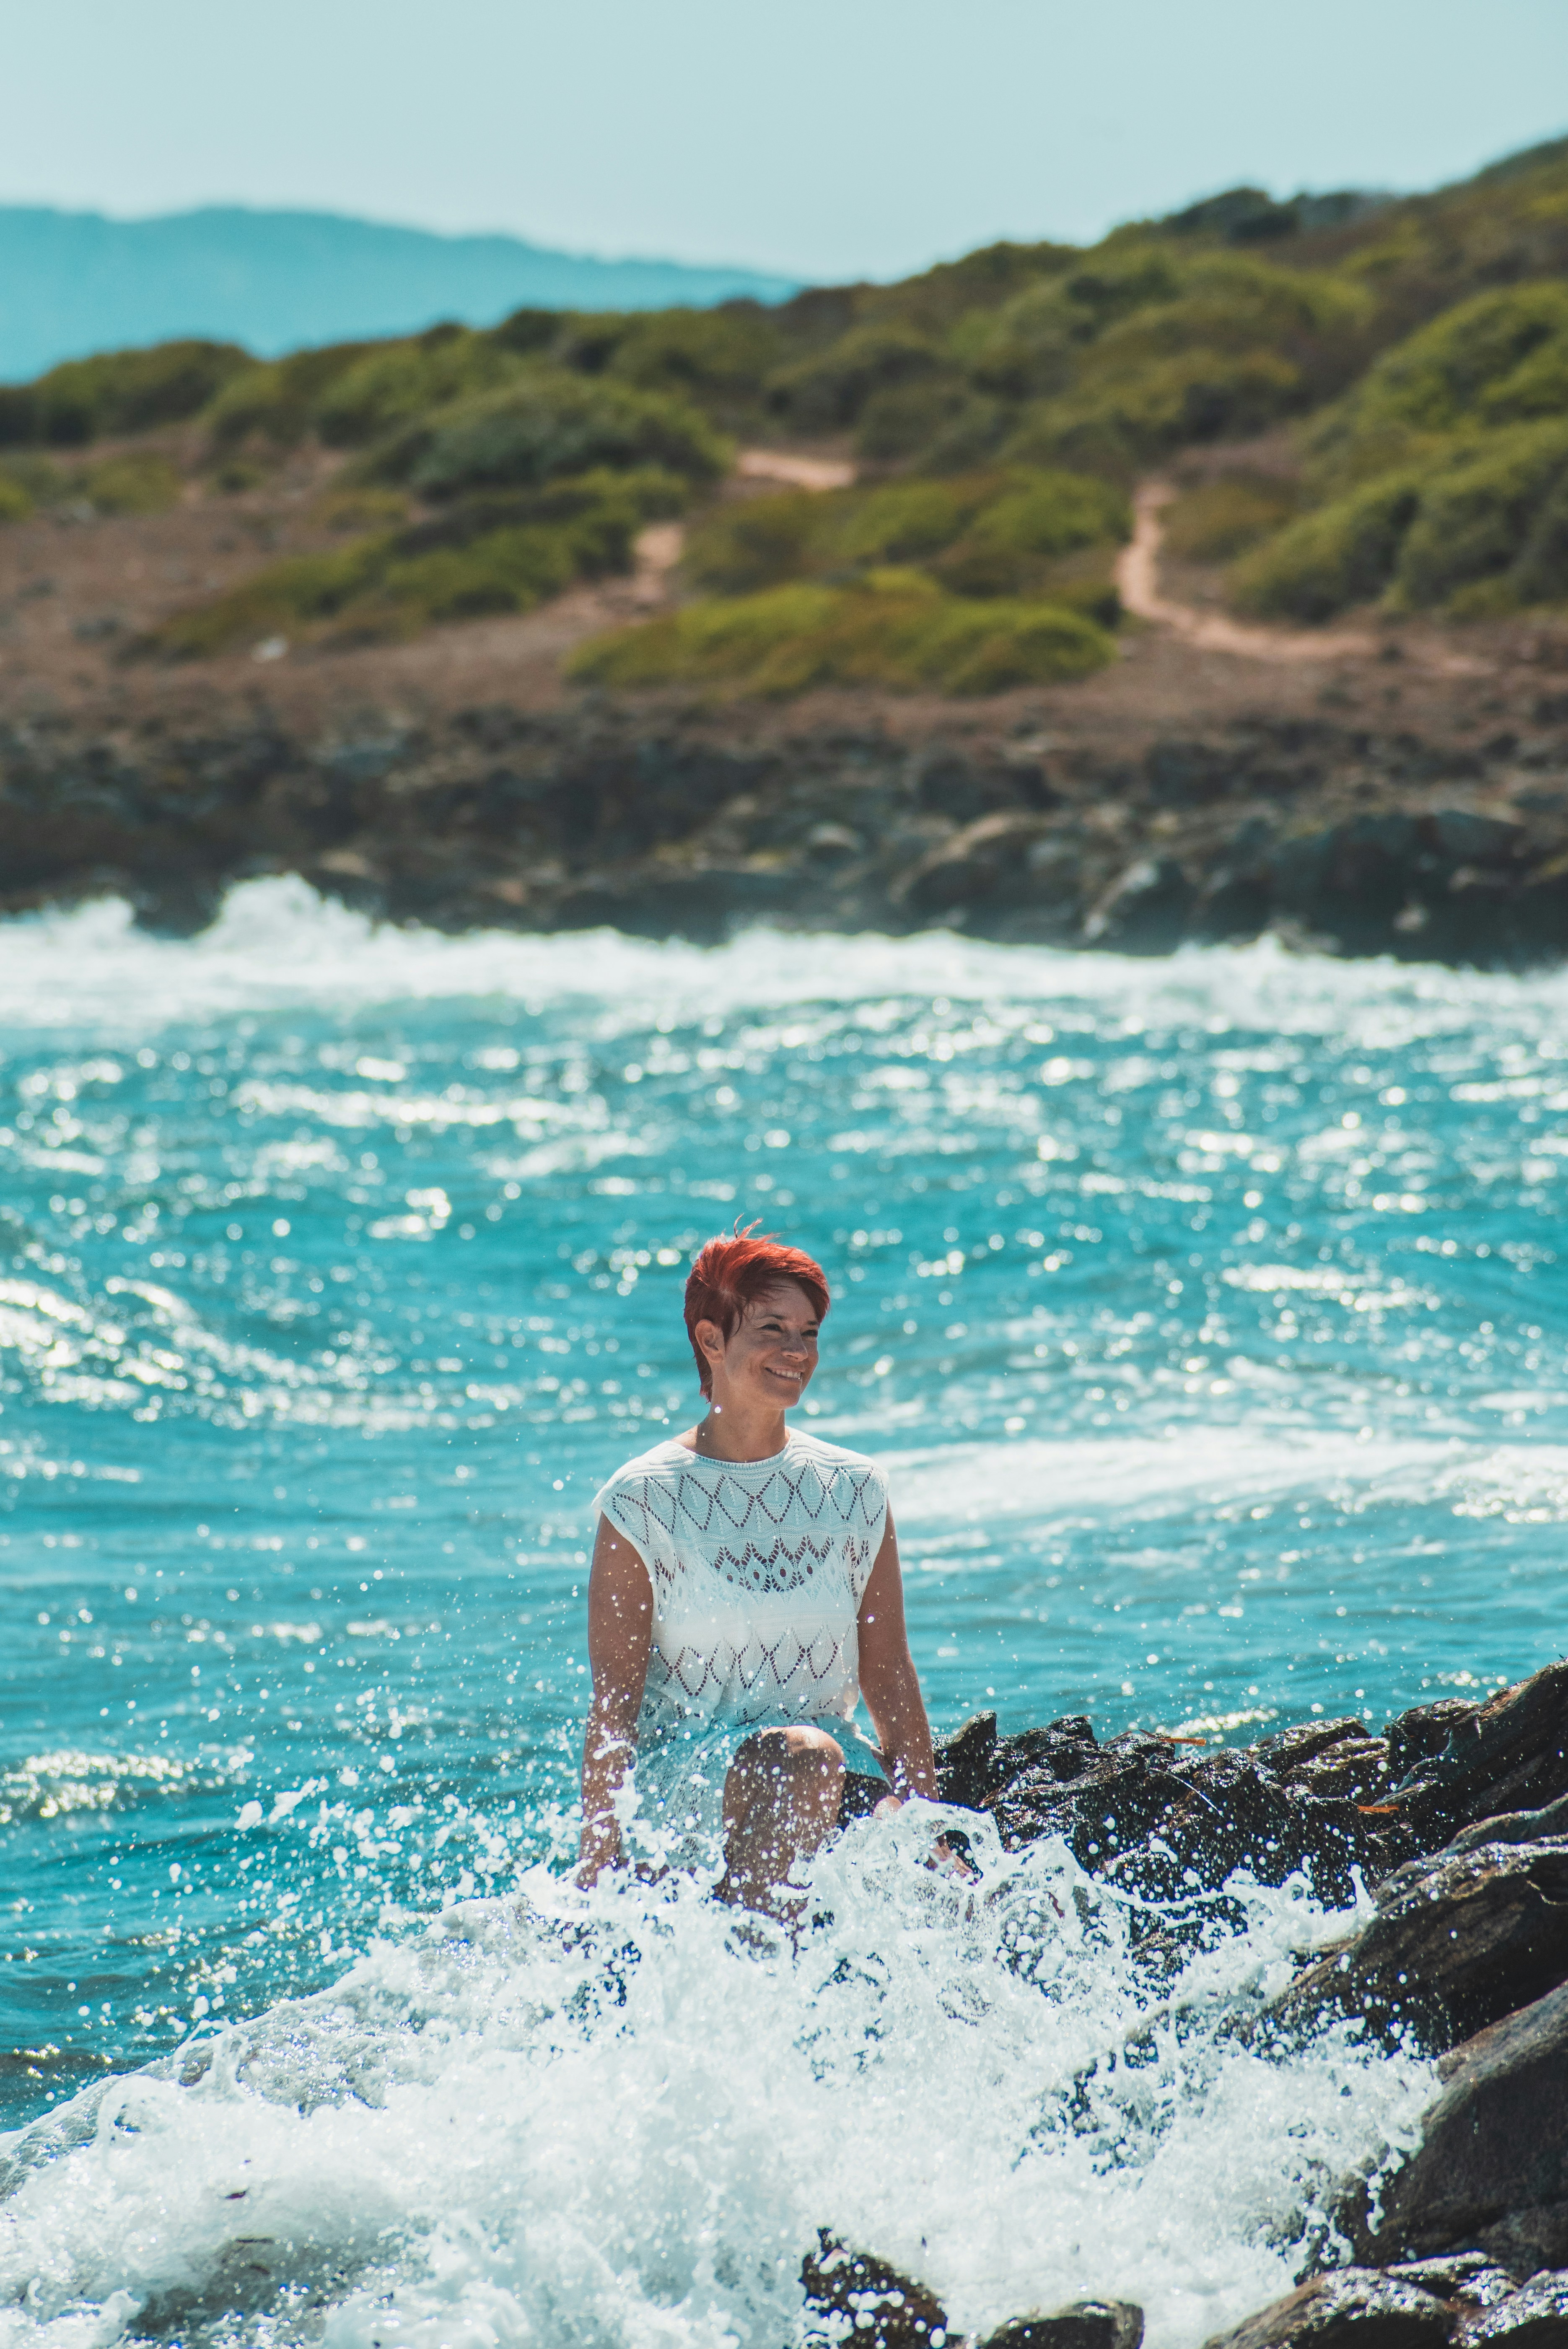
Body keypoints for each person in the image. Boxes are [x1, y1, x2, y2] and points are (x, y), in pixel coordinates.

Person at [576, 1225, 947, 1914]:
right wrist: (599, 1853)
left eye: (807, 1333)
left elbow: (888, 1673)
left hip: (832, 1767)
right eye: (771, 1328)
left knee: (991, 1901)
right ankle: (753, 1963)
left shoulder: (854, 1489)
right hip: (691, 1782)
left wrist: (928, 1821)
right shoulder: (642, 1501)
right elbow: (615, 1704)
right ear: (710, 1340)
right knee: (801, 1761)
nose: (795, 1352)